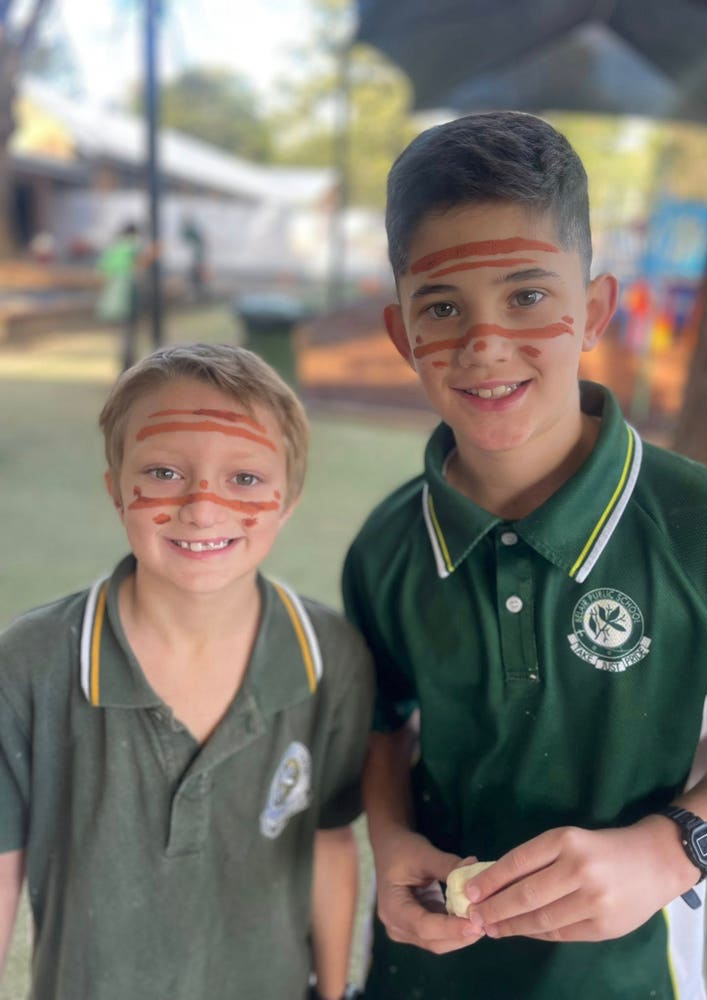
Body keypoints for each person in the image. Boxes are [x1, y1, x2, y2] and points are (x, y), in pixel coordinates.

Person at [342, 111, 707, 999]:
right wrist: (392, 839)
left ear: (595, 310)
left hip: (630, 978)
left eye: (528, 295)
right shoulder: (386, 546)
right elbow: (381, 722)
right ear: (402, 332)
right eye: (443, 307)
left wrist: (674, 848)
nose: (486, 343)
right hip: (423, 977)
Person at [0, 342, 373, 1000]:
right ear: (116, 487)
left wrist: (334, 994)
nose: (203, 507)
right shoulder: (30, 663)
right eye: (165, 472)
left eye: (246, 479)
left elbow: (330, 842)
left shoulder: (330, 656)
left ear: (288, 498)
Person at [95, 222, 146, 372]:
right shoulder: (133, 246)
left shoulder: (113, 248)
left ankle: (124, 368)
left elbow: (101, 272)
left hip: (111, 300)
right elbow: (141, 262)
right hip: (126, 298)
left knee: (121, 338)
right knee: (129, 337)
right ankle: (129, 368)